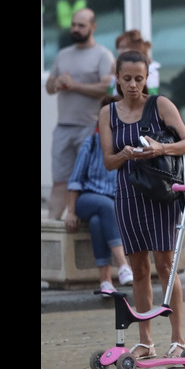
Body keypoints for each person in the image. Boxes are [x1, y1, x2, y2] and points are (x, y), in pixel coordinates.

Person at [99, 49, 185, 359]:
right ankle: (145, 341)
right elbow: (109, 163)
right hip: (127, 196)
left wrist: (157, 148)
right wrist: (125, 154)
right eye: (126, 78)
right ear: (116, 78)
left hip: (160, 195)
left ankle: (178, 338)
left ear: (147, 78)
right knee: (139, 270)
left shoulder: (160, 105)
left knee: (166, 266)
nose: (132, 85)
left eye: (139, 79)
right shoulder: (108, 114)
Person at [45, 8, 116, 220]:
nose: (75, 29)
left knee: (86, 182)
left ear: (93, 27)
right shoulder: (63, 54)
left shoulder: (103, 55)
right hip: (64, 127)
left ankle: (87, 227)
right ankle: (52, 230)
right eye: (74, 25)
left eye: (81, 25)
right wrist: (56, 83)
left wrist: (75, 85)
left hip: (90, 128)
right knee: (60, 182)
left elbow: (106, 89)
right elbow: (49, 86)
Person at [64, 95, 134, 293]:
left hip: (114, 203)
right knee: (104, 206)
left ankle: (105, 281)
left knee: (97, 221)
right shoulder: (92, 143)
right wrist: (70, 211)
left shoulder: (128, 145)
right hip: (88, 199)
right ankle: (122, 264)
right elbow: (75, 180)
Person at [109, 29, 160, 96]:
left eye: (123, 47)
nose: (119, 51)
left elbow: (150, 96)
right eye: (118, 48)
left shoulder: (151, 71)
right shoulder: (117, 68)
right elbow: (111, 94)